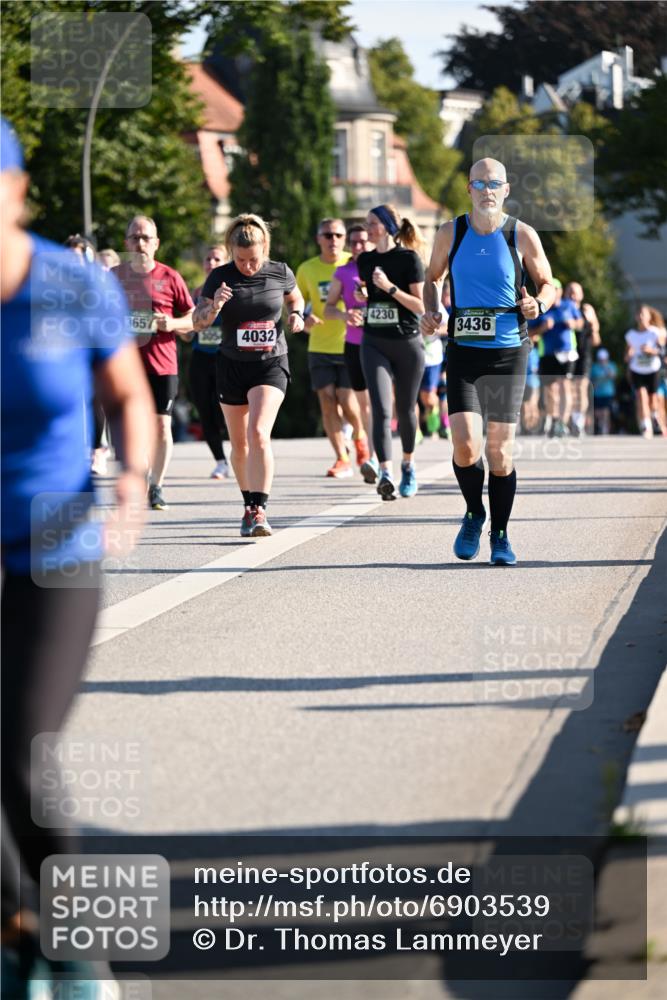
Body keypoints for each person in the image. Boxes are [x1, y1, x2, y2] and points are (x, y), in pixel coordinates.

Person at [1, 117, 155, 996]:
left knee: (21, 747)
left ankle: (78, 943)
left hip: (55, 546)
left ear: (17, 194)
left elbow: (128, 394)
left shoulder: (70, 285)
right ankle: (19, 934)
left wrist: (131, 477)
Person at [421, 157, 555, 565]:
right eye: (479, 183)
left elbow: (548, 283)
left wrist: (538, 304)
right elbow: (432, 278)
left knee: (499, 454)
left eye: (494, 183)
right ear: (469, 189)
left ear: (506, 190)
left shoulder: (521, 234)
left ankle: (500, 534)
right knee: (465, 446)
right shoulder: (451, 232)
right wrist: (432, 310)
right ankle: (473, 512)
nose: (486, 190)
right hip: (463, 351)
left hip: (508, 353)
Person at [192, 214, 305, 537]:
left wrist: (296, 314)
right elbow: (198, 322)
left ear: (264, 248)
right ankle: (247, 504)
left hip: (270, 363)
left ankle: (259, 509)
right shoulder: (219, 276)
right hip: (232, 365)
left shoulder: (280, 271)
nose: (248, 266)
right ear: (231, 252)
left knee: (258, 433)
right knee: (239, 444)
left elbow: (295, 296)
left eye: (253, 259)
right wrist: (214, 306)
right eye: (240, 260)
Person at [113, 215, 195, 509]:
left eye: (146, 237)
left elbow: (193, 319)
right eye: (134, 237)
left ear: (156, 243)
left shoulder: (170, 277)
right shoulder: (113, 276)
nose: (140, 243)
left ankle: (156, 486)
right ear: (126, 243)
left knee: (161, 426)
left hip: (162, 364)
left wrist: (172, 323)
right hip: (125, 366)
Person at [357, 204, 426, 500]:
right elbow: (370, 295)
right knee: (381, 410)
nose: (367, 229)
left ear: (387, 226)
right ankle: (386, 473)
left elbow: (421, 306)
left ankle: (408, 465)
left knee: (406, 409)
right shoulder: (365, 260)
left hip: (407, 342)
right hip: (374, 342)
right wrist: (364, 294)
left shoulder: (409, 258)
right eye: (366, 223)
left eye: (372, 223)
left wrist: (389, 288)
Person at [296, 219, 369, 478]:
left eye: (338, 235)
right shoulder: (306, 269)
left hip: (351, 344)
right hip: (319, 345)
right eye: (327, 235)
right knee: (327, 402)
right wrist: (303, 319)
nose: (333, 240)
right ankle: (342, 458)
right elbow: (297, 303)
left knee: (348, 402)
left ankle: (360, 437)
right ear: (319, 239)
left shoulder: (356, 263)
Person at [324, 224, 378, 483]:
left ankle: (381, 456)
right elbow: (328, 308)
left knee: (379, 402)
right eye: (354, 242)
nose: (358, 246)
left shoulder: (381, 267)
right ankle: (373, 457)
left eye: (363, 241)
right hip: (354, 344)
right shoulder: (343, 272)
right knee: (363, 405)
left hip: (382, 342)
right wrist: (345, 315)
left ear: (372, 241)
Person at [190, 245, 230, 479]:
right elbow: (188, 327)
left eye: (217, 259)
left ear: (226, 263)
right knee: (205, 410)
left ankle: (241, 452)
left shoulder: (232, 291)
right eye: (208, 259)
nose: (212, 263)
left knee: (224, 410)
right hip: (201, 357)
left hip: (227, 357)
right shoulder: (196, 293)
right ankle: (220, 461)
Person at [533, 278, 583, 438]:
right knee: (550, 390)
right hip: (547, 354)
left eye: (556, 289)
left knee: (564, 387)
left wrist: (573, 324)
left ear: (560, 291)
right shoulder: (541, 309)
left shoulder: (569, 305)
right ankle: (554, 419)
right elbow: (530, 332)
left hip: (567, 353)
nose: (553, 293)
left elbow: (581, 323)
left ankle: (562, 421)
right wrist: (542, 328)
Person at [565, 281, 601, 436]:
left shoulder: (586, 311)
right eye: (570, 292)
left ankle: (578, 422)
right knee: (568, 390)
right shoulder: (562, 309)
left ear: (581, 295)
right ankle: (567, 422)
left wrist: (592, 323)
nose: (573, 295)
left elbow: (596, 341)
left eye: (576, 292)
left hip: (583, 355)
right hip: (566, 354)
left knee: (580, 388)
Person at [624, 304, 666, 437]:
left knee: (653, 399)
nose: (641, 317)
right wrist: (628, 355)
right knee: (641, 396)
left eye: (644, 314)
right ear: (636, 317)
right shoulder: (631, 335)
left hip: (652, 369)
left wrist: (651, 351)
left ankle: (654, 416)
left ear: (649, 317)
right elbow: (627, 356)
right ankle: (646, 426)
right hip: (637, 369)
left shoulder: (655, 332)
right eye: (639, 314)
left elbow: (663, 352)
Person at [590, 347, 618, 435]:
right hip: (597, 393)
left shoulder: (611, 365)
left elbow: (613, 376)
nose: (602, 361)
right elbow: (591, 380)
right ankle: (600, 425)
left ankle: (605, 428)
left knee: (606, 411)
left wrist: (606, 368)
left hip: (608, 393)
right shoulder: (594, 367)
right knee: (597, 412)